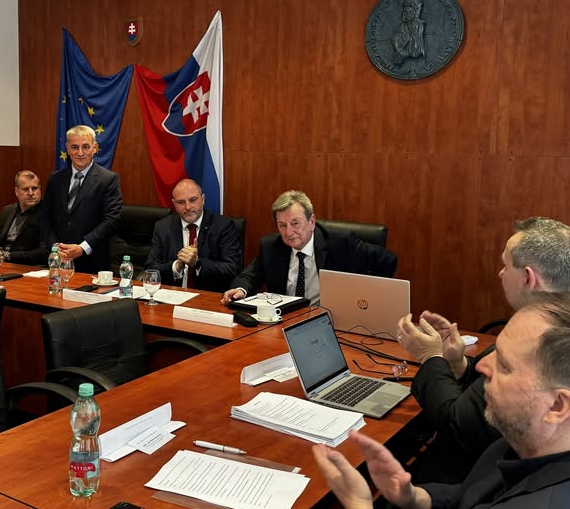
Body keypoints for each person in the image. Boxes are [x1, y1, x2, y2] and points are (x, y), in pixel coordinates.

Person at [313, 293, 570, 509]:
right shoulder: (521, 442)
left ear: (557, 406)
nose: (480, 366)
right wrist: (416, 498)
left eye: (504, 364)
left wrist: (358, 503)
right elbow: (468, 494)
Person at [395, 216, 570, 484]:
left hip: (470, 480)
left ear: (527, 278)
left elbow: (458, 425)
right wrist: (458, 364)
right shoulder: (549, 321)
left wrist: (429, 357)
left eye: (505, 265)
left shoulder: (544, 339)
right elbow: (482, 394)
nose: (500, 273)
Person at [221, 190, 397, 305]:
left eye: (295, 223)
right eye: (282, 225)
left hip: (330, 321)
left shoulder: (340, 243)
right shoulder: (271, 246)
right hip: (285, 322)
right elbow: (249, 277)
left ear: (311, 221)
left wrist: (364, 295)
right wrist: (240, 290)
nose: (288, 232)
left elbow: (388, 261)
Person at [40, 124, 123, 274]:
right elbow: (45, 217)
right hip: (58, 260)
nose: (80, 153)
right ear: (67, 148)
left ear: (94, 147)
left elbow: (112, 219)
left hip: (92, 263)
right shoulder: (55, 179)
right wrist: (55, 246)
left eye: (85, 147)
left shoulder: (108, 179)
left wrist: (82, 248)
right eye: (74, 147)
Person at [145, 178, 241, 292]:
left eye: (193, 200)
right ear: (174, 204)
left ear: (203, 199)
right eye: (181, 202)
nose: (188, 207)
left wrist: (197, 263)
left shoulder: (223, 226)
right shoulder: (163, 227)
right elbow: (150, 269)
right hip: (173, 295)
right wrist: (176, 266)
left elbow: (232, 269)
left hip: (207, 296)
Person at [0, 170, 47, 265]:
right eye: (25, 189)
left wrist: (5, 255)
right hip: (1, 264)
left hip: (28, 267)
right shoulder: (7, 211)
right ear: (16, 191)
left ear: (40, 189)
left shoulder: (47, 213)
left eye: (34, 188)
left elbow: (44, 253)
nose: (31, 193)